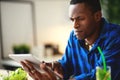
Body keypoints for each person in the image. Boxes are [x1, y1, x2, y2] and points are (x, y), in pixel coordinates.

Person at [21, 0, 120, 80]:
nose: (75, 25)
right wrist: (57, 67)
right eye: (72, 20)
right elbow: (67, 64)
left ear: (97, 16)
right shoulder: (74, 37)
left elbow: (102, 75)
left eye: (80, 18)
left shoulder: (115, 37)